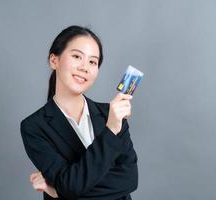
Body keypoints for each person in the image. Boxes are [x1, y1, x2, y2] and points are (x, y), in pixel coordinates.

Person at [20, 25, 138, 200]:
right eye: (77, 56)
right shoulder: (34, 127)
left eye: (92, 62)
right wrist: (110, 131)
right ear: (54, 60)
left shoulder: (111, 114)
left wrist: (58, 191)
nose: (85, 67)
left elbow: (129, 180)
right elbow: (72, 186)